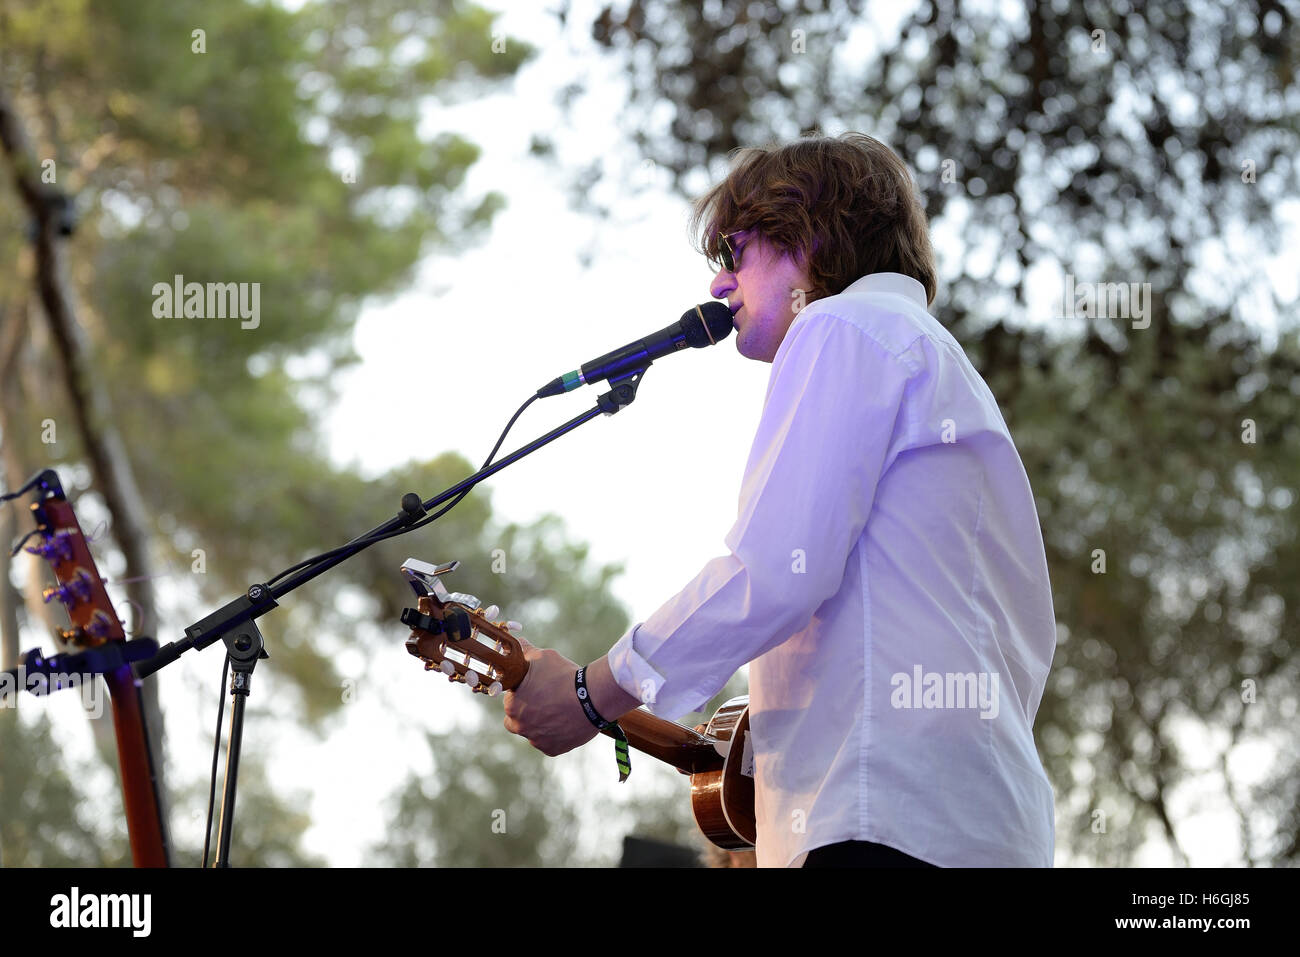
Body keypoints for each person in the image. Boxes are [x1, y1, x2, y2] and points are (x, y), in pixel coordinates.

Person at [502, 132, 1057, 868]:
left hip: (880, 820)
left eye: (734, 253)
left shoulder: (842, 326)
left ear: (808, 234)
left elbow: (777, 570)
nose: (718, 286)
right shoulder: (927, 355)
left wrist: (592, 689)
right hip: (980, 826)